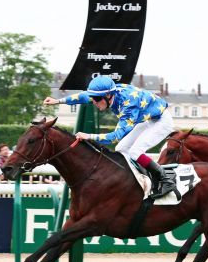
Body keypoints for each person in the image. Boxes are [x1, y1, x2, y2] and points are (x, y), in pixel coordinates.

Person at [42, 76, 175, 198]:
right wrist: (57, 101)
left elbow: (115, 136)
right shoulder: (107, 94)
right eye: (93, 98)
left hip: (162, 121)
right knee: (121, 149)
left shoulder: (128, 105)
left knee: (135, 152)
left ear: (108, 95)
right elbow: (84, 97)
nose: (93, 102)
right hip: (148, 118)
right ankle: (141, 181)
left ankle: (166, 180)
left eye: (97, 99)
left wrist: (89, 136)